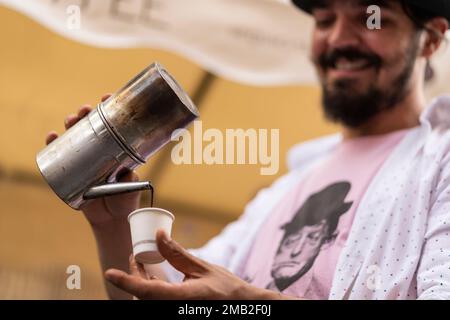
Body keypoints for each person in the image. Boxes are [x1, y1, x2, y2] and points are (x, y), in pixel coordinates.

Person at [45, 0, 450, 299]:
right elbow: (159, 294)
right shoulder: (285, 189)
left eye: (370, 18)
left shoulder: (440, 161)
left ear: (430, 40)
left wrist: (242, 301)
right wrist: (114, 223)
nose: (340, 38)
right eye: (324, 20)